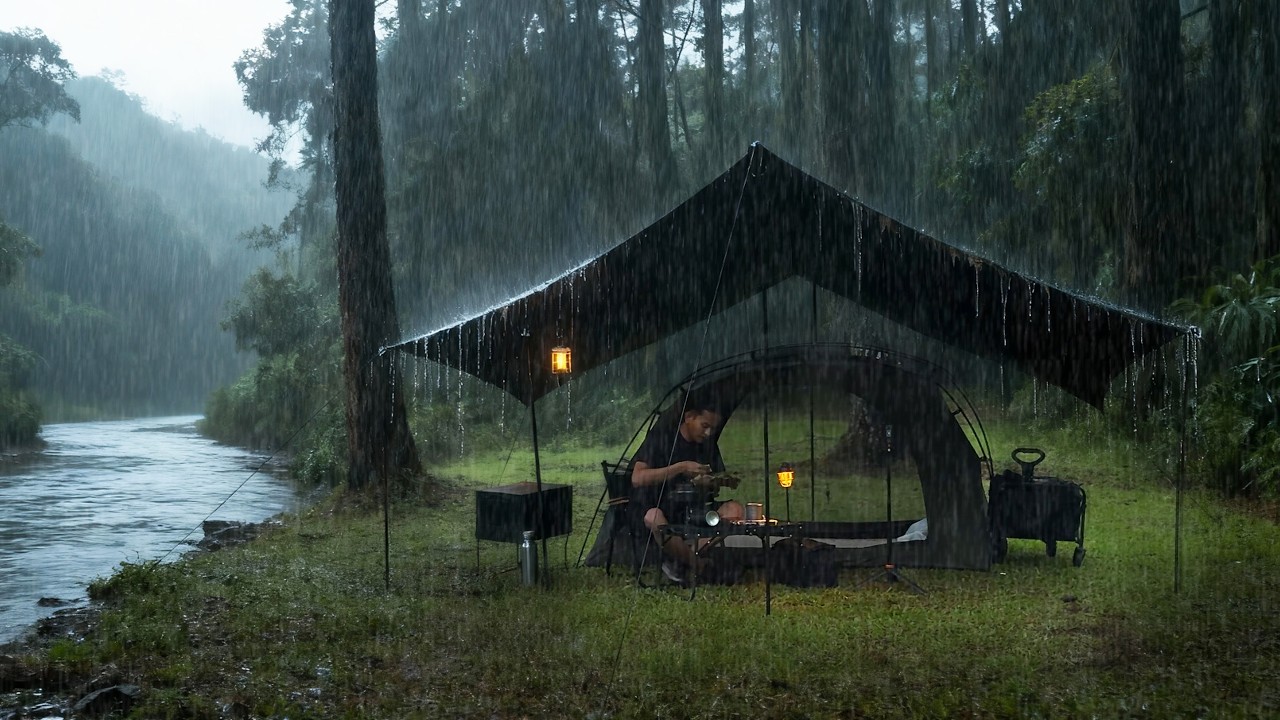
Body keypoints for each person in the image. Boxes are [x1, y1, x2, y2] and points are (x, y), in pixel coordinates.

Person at [630, 401, 743, 585]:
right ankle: (698, 565)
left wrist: (714, 483)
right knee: (654, 517)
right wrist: (680, 468)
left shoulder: (708, 445)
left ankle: (679, 558)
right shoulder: (662, 438)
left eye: (712, 429)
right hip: (657, 505)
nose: (708, 433)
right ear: (689, 417)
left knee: (735, 510)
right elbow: (637, 478)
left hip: (693, 509)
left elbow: (712, 485)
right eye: (704, 426)